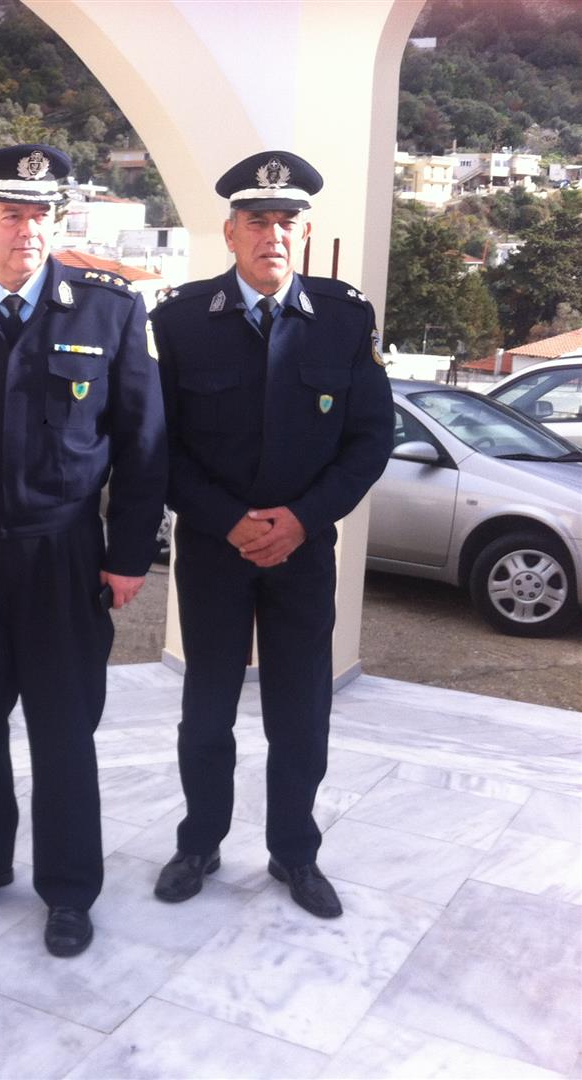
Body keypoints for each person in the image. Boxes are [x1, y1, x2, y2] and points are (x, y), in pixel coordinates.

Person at [0, 145, 167, 958]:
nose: (28, 230)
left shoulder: (108, 311)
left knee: (63, 732)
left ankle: (70, 890)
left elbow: (143, 446)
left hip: (64, 556)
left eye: (41, 214)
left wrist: (128, 555)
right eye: (11, 214)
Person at [149, 151, 393, 918]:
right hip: (212, 552)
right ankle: (198, 844)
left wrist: (301, 519)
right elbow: (159, 446)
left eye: (286, 221)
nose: (272, 235)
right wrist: (229, 521)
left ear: (304, 232)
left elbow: (369, 440)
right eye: (257, 221)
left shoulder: (344, 320)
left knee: (300, 714)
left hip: (302, 553)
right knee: (205, 712)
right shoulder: (180, 321)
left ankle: (294, 852)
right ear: (230, 232)